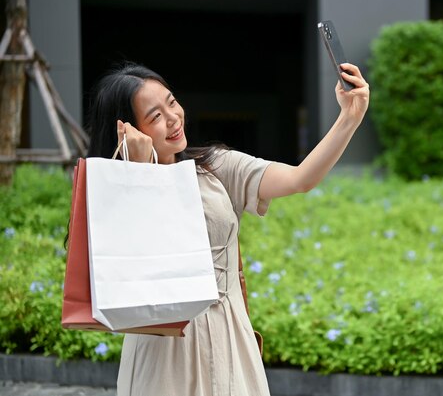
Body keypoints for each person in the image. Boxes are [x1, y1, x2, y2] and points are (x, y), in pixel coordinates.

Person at [84, 60, 369, 396]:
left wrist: (349, 117)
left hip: (229, 336)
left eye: (172, 102)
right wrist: (138, 174)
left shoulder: (215, 166)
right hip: (162, 349)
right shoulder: (117, 192)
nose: (173, 118)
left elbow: (300, 179)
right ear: (129, 129)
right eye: (155, 116)